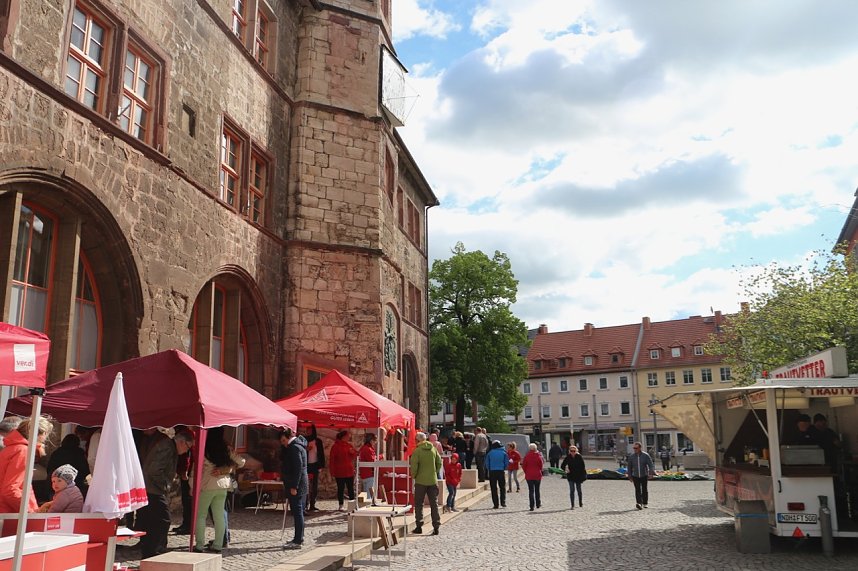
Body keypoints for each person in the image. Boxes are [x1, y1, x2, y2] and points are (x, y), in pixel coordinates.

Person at [137, 429, 192, 559]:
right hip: (153, 489)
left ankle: (150, 551)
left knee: (153, 520)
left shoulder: (168, 446)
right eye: (188, 447)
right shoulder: (167, 447)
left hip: (152, 488)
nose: (186, 451)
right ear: (182, 442)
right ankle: (153, 551)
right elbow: (154, 470)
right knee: (163, 519)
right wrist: (166, 485)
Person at [194, 427, 243, 554]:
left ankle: (199, 545)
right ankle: (218, 545)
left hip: (206, 485)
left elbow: (196, 468)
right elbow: (241, 461)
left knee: (200, 516)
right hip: (223, 485)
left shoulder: (203, 447)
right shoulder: (225, 447)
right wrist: (228, 468)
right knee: (219, 515)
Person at [0, 415, 53, 513]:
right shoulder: (22, 450)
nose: (45, 440)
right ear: (42, 433)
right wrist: (29, 512)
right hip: (10, 515)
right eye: (46, 435)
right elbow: (10, 490)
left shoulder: (11, 448)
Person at [280, 427, 308, 550]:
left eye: (283, 441)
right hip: (300, 483)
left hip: (296, 484)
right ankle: (298, 538)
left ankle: (298, 540)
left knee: (297, 512)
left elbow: (298, 468)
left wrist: (293, 486)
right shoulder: (299, 445)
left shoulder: (294, 448)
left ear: (287, 438)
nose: (283, 444)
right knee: (298, 512)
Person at [409, 432, 442, 535]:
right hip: (432, 480)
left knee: (419, 504)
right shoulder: (433, 449)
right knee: (434, 504)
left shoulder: (417, 451)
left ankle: (419, 526)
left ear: (418, 440)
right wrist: (434, 472)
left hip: (420, 481)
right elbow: (439, 462)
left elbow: (414, 466)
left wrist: (414, 475)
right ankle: (436, 526)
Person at [172, 429, 193, 535]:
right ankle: (186, 524)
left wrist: (184, 470)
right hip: (184, 472)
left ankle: (188, 525)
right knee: (186, 500)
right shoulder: (184, 433)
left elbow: (187, 456)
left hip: (187, 474)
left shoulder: (187, 435)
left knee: (188, 500)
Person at [329, 430, 357, 511]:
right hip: (340, 471)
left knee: (350, 488)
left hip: (349, 470)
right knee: (340, 488)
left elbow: (355, 455)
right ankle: (341, 505)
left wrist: (352, 453)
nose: (349, 437)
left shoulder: (349, 445)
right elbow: (332, 460)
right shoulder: (335, 446)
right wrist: (332, 471)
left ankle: (352, 504)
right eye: (348, 436)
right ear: (343, 437)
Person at [303, 424, 325, 512]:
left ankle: (312, 504)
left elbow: (321, 454)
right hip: (306, 465)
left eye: (310, 430)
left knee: (314, 485)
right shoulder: (304, 440)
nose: (308, 431)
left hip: (315, 465)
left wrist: (321, 465)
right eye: (307, 430)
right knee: (305, 485)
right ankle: (304, 504)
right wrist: (306, 449)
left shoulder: (318, 441)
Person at [627, 441, 655, 510]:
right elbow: (629, 467)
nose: (635, 449)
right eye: (634, 448)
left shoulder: (646, 455)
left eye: (636, 448)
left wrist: (651, 473)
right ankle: (639, 503)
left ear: (640, 448)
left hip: (644, 475)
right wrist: (629, 476)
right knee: (637, 489)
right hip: (635, 475)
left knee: (644, 489)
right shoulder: (631, 457)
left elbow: (650, 465)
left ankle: (645, 503)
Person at [485, 440, 509, 509]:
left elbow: (487, 463)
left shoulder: (490, 453)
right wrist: (503, 467)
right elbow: (506, 462)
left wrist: (489, 468)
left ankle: (496, 504)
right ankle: (503, 502)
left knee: (493, 488)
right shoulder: (504, 452)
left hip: (492, 471)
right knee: (502, 487)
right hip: (501, 471)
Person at [521, 443, 544, 511]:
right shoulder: (538, 456)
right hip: (537, 475)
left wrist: (526, 472)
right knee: (537, 490)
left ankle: (531, 506)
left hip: (529, 475)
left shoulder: (527, 456)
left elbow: (524, 465)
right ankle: (538, 503)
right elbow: (541, 465)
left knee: (531, 491)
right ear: (535, 448)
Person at [358, 433, 377, 503]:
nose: (375, 443)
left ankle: (365, 506)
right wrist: (380, 457)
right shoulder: (368, 449)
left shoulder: (363, 448)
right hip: (369, 473)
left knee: (366, 492)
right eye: (375, 441)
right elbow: (372, 460)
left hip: (364, 473)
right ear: (371, 440)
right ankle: (367, 507)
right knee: (369, 493)